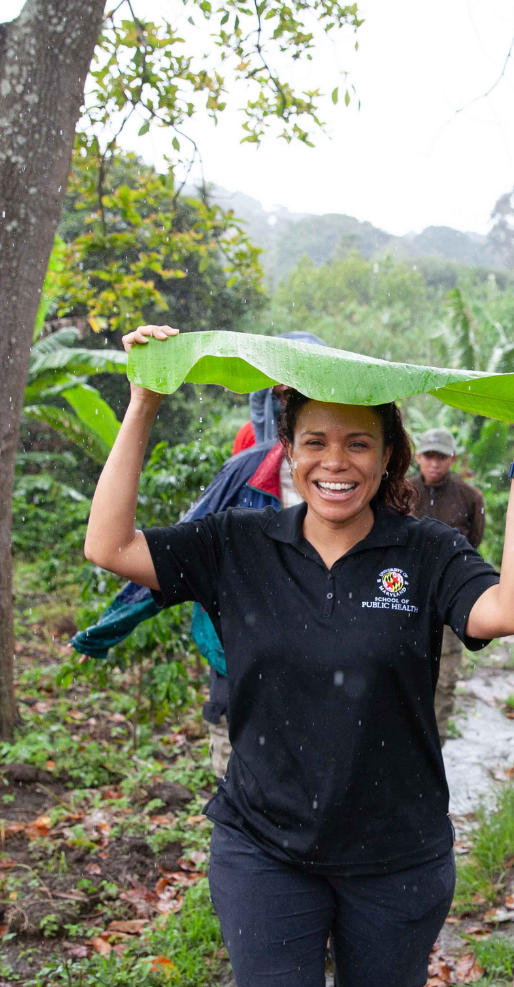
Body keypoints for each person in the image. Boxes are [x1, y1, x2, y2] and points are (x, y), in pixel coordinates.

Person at [86, 324, 514, 984]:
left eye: (357, 444)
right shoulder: (239, 543)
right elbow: (110, 547)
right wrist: (143, 402)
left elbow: (512, 610)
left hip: (397, 857)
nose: (335, 462)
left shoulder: (424, 551)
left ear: (386, 456)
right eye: (314, 442)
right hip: (264, 850)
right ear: (288, 450)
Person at [72, 331, 325, 779]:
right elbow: (141, 554)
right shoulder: (245, 473)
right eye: (286, 392)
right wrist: (110, 626)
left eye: (307, 389)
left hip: (330, 694)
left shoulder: (359, 480)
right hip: (241, 673)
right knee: (243, 799)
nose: (296, 404)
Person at [407, 427, 486, 739]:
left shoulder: (470, 497)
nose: (434, 463)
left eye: (441, 457)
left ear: (453, 458)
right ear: (418, 457)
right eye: (429, 456)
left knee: (445, 676)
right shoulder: (402, 491)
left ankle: (434, 742)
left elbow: (474, 540)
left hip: (450, 597)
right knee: (403, 672)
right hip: (405, 594)